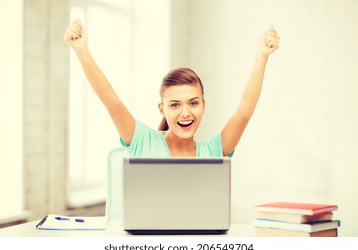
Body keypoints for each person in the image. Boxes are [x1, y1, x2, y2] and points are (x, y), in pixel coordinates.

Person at [64, 19, 279, 158]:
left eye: (193, 103)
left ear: (204, 106)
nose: (185, 113)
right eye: (175, 105)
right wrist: (82, 51)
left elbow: (244, 112)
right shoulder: (142, 141)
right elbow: (111, 101)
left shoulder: (213, 152)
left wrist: (262, 56)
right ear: (162, 109)